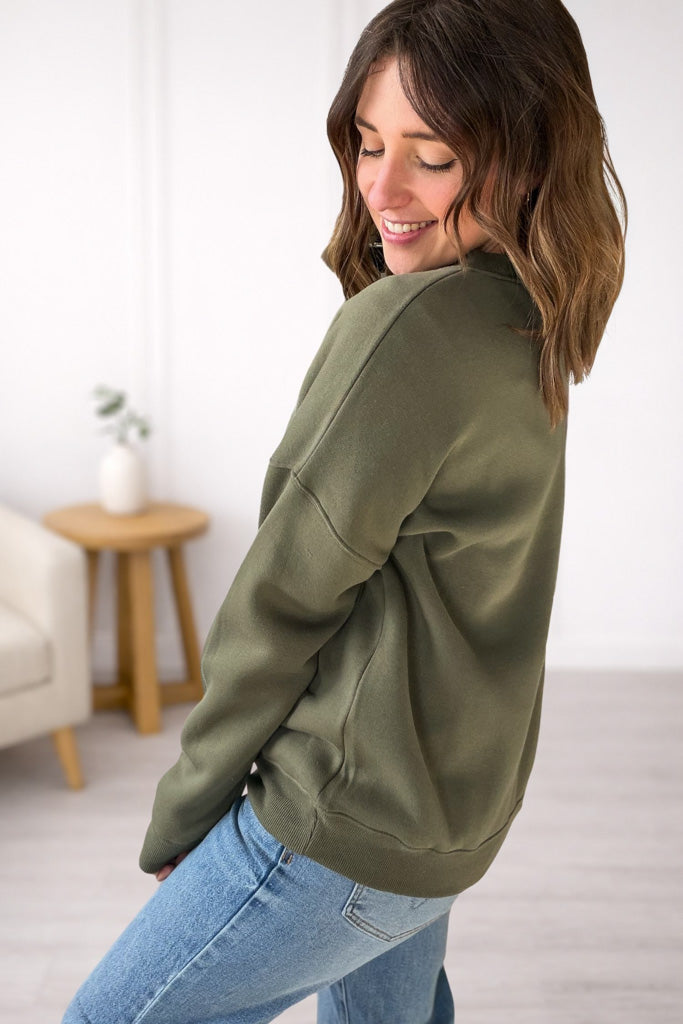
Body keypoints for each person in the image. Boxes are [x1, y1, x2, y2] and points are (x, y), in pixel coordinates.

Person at [63, 1, 626, 1021]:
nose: (381, 187)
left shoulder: (408, 329)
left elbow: (279, 604)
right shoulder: (528, 320)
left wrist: (183, 819)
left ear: (527, 158)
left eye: (432, 154)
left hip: (338, 823)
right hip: (445, 826)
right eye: (368, 144)